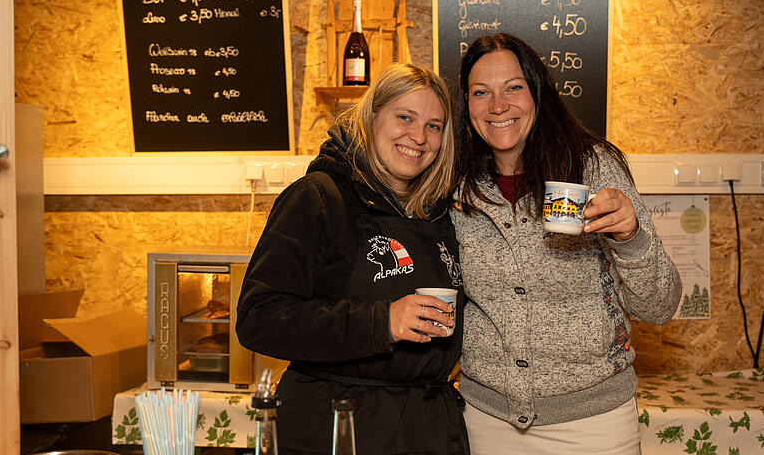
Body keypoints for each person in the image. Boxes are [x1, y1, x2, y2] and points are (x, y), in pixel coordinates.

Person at [450, 34, 682, 455]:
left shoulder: (592, 165)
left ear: (538, 93)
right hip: (486, 422)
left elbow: (660, 306)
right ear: (466, 106)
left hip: (594, 426)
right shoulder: (455, 183)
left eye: (514, 87)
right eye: (480, 92)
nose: (497, 106)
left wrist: (631, 238)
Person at [236, 63, 469, 455]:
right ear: (372, 116)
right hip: (338, 427)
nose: (419, 136)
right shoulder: (319, 198)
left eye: (434, 125)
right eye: (405, 117)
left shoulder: (439, 214)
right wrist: (382, 322)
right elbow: (259, 318)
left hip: (428, 428)